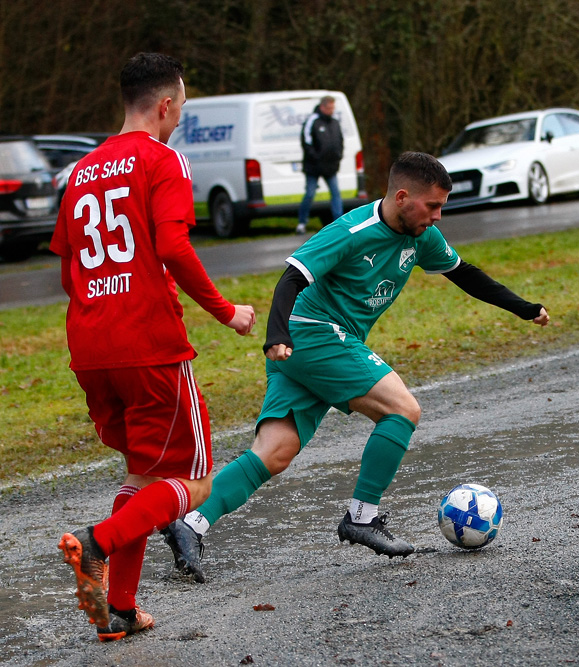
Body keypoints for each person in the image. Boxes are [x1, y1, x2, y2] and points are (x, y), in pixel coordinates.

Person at [161, 151, 550, 581]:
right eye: (433, 206)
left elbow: (465, 273)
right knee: (402, 409)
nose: (438, 216)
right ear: (403, 197)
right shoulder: (352, 230)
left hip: (313, 345)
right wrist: (277, 335)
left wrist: (524, 308)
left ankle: (189, 523)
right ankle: (361, 517)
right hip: (311, 335)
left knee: (274, 452)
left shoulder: (422, 236)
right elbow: (292, 276)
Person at [50, 53, 256, 640]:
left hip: (91, 348)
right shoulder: (162, 159)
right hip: (149, 345)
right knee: (192, 483)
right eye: (181, 109)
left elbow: (69, 270)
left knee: (141, 476)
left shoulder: (82, 171)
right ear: (165, 104)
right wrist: (225, 311)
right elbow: (172, 246)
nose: (180, 120)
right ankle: (96, 542)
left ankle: (119, 609)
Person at [296, 95, 344, 234]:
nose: (331, 111)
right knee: (310, 193)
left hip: (331, 166)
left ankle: (340, 224)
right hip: (314, 166)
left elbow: (339, 141)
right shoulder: (313, 121)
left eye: (333, 108)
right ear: (322, 107)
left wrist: (338, 156)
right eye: (329, 108)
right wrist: (315, 157)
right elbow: (306, 141)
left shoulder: (335, 122)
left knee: (336, 193)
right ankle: (302, 222)